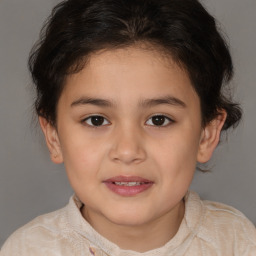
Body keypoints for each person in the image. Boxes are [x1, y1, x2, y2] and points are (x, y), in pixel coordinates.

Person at [1, 0, 256, 255]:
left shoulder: (239, 243)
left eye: (159, 119)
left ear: (206, 135)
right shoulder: (26, 250)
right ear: (54, 136)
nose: (127, 151)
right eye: (96, 120)